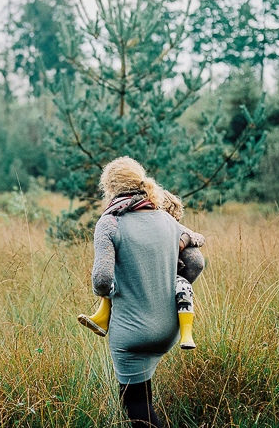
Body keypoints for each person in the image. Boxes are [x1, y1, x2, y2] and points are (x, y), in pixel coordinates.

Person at [86, 157, 202, 428]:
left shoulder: (109, 223)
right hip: (170, 329)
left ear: (110, 188)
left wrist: (113, 292)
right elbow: (197, 261)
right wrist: (169, 284)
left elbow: (102, 279)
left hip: (131, 333)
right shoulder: (167, 220)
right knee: (145, 395)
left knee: (136, 407)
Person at [77, 188, 205, 349]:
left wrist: (182, 242)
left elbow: (200, 238)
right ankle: (102, 317)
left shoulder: (173, 228)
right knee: (116, 276)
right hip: (145, 274)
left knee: (184, 287)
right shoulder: (151, 227)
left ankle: (187, 333)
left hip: (168, 277)